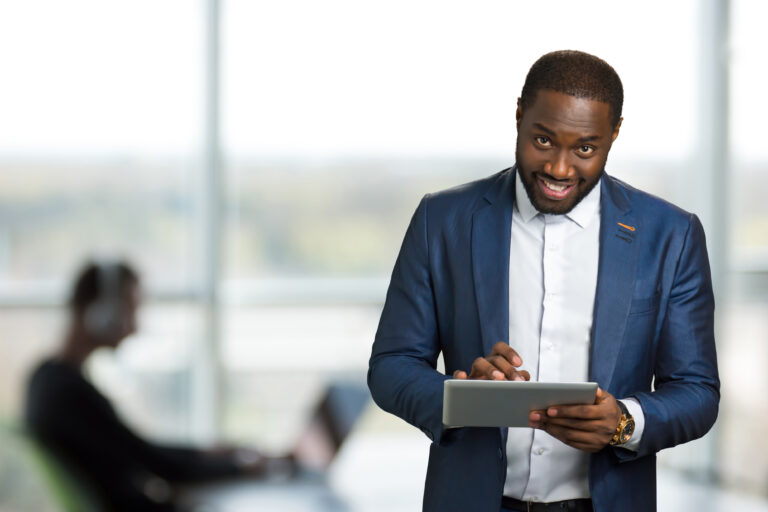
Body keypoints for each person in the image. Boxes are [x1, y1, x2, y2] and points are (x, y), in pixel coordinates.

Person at [367, 50, 719, 512]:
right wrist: (459, 398)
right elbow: (391, 366)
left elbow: (697, 391)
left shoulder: (670, 236)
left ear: (614, 134)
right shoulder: (443, 221)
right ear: (519, 115)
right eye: (543, 140)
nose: (559, 168)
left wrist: (623, 423)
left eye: (585, 149)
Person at [25, 261, 293, 512]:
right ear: (101, 314)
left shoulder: (47, 378)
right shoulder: (67, 392)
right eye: (130, 310)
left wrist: (208, 453)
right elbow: (155, 463)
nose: (135, 327)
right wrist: (240, 467)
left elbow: (136, 449)